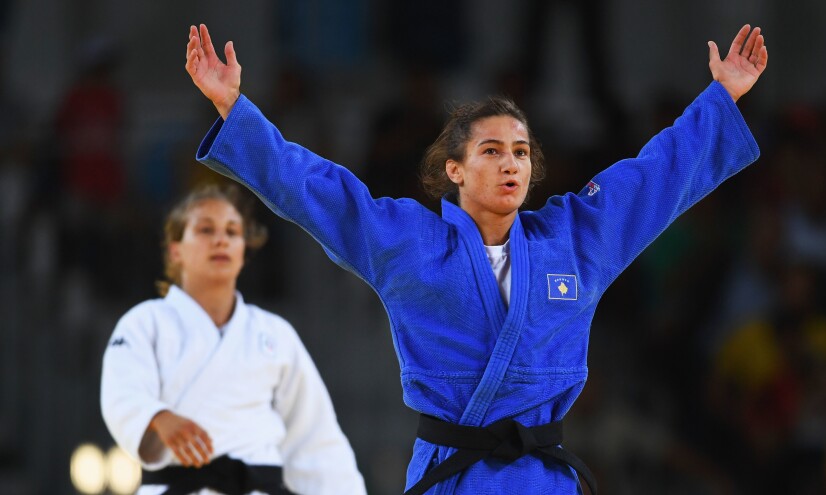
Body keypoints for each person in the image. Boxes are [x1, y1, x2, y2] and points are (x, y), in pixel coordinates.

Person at [184, 21, 768, 494]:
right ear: (455, 170)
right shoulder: (410, 245)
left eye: (521, 152)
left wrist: (722, 99)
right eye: (491, 151)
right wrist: (235, 109)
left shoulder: (574, 241)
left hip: (542, 480)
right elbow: (319, 191)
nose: (511, 162)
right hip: (452, 476)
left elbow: (653, 179)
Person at [100, 183, 367, 495]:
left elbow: (314, 436)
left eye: (232, 232)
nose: (221, 240)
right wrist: (156, 416)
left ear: (243, 251)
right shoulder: (144, 323)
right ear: (175, 250)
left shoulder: (274, 334)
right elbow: (122, 391)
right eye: (205, 230)